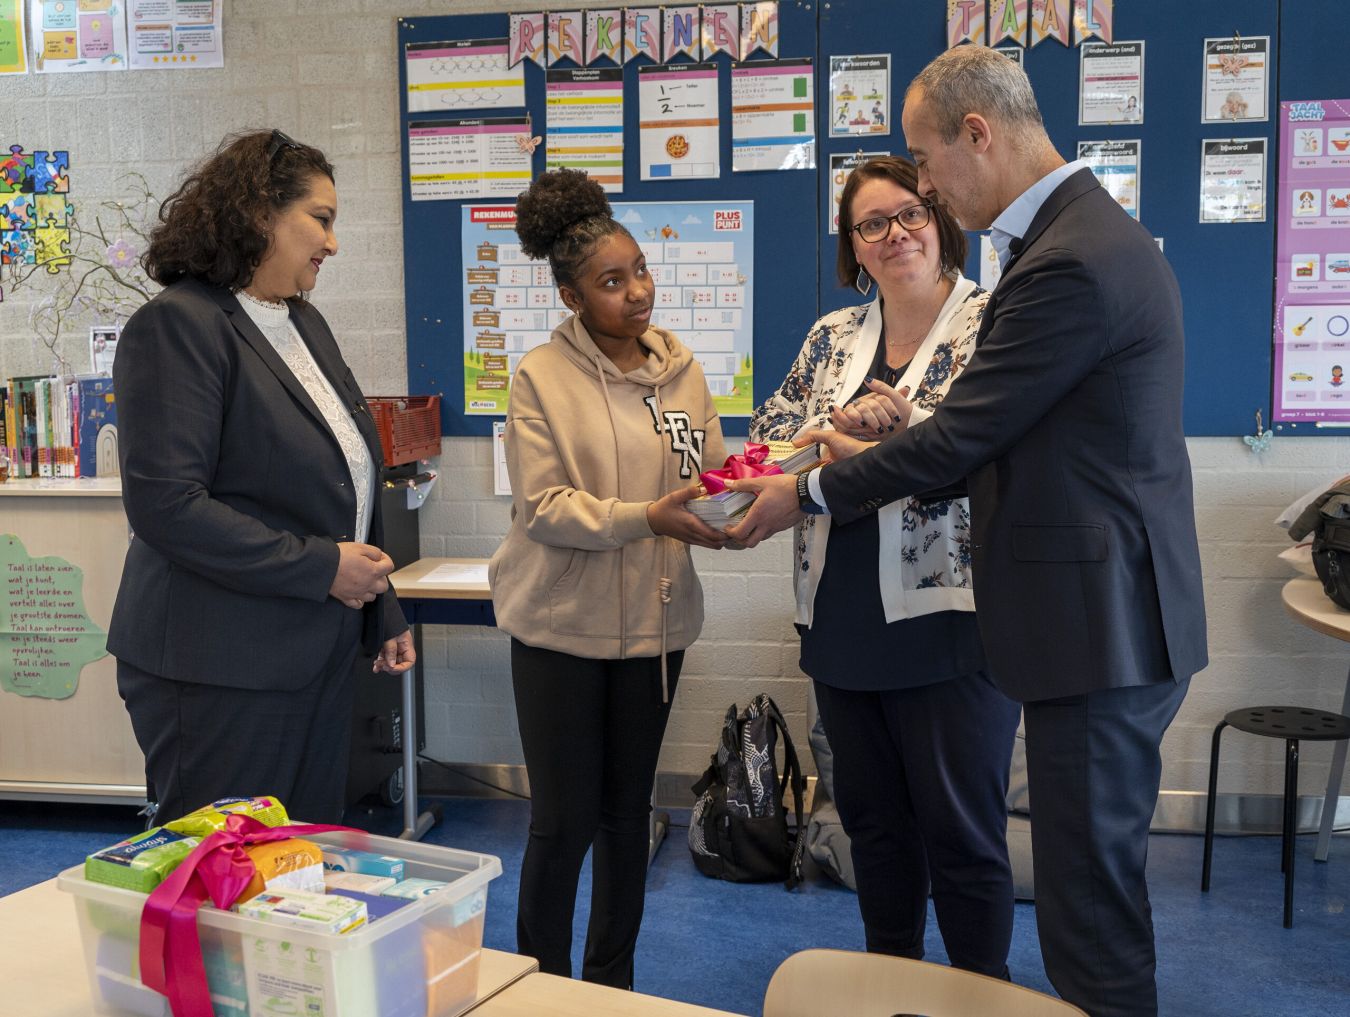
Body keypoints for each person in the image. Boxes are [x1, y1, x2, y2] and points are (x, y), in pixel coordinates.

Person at [726, 46, 1207, 1017]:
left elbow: (961, 440)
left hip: (1065, 623)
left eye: (923, 169)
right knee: (1033, 879)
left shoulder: (1060, 265)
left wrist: (811, 488)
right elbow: (972, 439)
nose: (924, 195)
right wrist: (849, 445)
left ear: (975, 135)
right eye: (875, 219)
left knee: (1078, 911)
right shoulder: (1064, 244)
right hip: (1031, 619)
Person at [750, 155, 1020, 978]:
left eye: (910, 213)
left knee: (963, 836)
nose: (895, 233)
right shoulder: (833, 337)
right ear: (853, 246)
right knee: (873, 827)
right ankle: (892, 979)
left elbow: (986, 448)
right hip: (841, 620)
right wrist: (836, 430)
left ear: (940, 219)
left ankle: (980, 994)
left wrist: (890, 435)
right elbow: (769, 438)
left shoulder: (993, 320)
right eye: (872, 223)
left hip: (956, 622)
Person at [108, 130, 414, 825]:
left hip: (312, 649)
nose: (333, 243)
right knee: (222, 867)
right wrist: (324, 568)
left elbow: (336, 485)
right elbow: (168, 505)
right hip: (217, 665)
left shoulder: (301, 321)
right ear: (258, 214)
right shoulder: (179, 324)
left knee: (296, 861)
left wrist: (380, 604)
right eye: (321, 219)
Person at [489, 168, 728, 988]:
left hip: (656, 630)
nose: (638, 292)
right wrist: (649, 516)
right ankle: (541, 985)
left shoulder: (681, 372)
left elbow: (707, 471)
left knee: (629, 819)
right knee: (562, 823)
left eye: (641, 271)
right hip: (560, 630)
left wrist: (740, 500)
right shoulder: (540, 377)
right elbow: (545, 507)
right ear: (572, 296)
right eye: (612, 281)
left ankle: (611, 983)